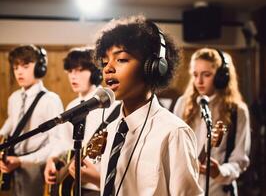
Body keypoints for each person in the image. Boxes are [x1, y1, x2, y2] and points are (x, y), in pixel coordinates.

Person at [94, 15, 203, 196]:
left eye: (121, 59)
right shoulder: (112, 129)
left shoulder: (174, 132)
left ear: (152, 67)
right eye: (105, 62)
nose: (108, 69)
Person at [173, 48, 251, 196]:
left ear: (222, 77)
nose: (199, 81)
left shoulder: (237, 111)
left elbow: (240, 160)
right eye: (195, 75)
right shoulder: (182, 104)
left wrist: (220, 172)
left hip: (219, 191)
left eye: (206, 75)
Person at [44, 48, 120, 196]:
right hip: (71, 185)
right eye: (70, 71)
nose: (73, 77)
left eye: (79, 71)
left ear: (96, 72)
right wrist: (51, 160)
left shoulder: (114, 107)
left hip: (98, 188)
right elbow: (63, 141)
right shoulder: (72, 105)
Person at [0, 44, 64, 196]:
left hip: (37, 166)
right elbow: (12, 122)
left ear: (39, 68)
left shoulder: (51, 100)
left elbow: (57, 141)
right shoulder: (14, 98)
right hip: (12, 164)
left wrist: (23, 161)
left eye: (25, 66)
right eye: (16, 67)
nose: (19, 72)